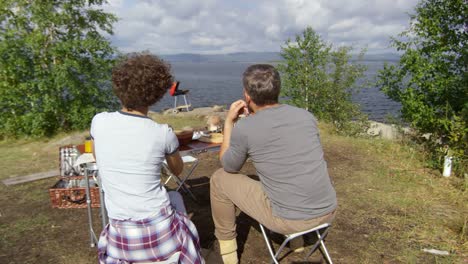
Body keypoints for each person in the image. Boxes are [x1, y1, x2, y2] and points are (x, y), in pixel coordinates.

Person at [210, 64, 337, 264]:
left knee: (219, 179)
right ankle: (299, 243)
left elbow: (229, 166)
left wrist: (229, 123)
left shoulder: (245, 127)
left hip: (290, 220)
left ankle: (228, 256)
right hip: (327, 212)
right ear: (278, 90)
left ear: (247, 95)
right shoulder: (306, 116)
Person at [91, 53, 204, 264]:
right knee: (176, 198)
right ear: (156, 93)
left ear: (119, 87)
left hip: (122, 244)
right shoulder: (162, 133)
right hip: (164, 242)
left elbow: (100, 158)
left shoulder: (99, 122)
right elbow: (177, 171)